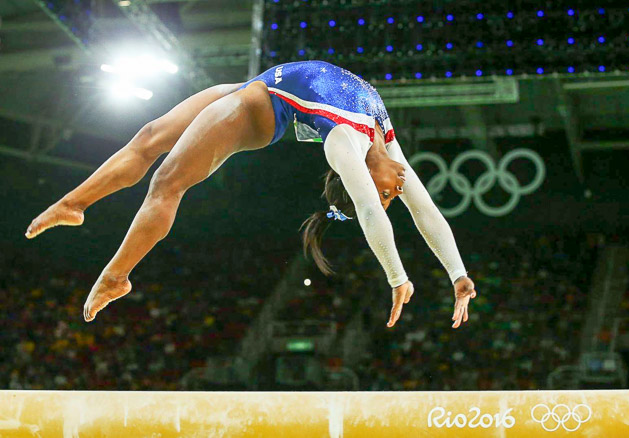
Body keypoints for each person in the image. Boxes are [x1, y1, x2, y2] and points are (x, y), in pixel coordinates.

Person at [25, 61, 476, 327]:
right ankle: (73, 204)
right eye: (391, 195)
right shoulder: (388, 144)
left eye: (387, 197)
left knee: (167, 182)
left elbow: (368, 209)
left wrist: (398, 278)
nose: (396, 191)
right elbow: (428, 211)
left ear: (357, 173)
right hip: (257, 84)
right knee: (148, 137)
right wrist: (458, 275)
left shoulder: (345, 143)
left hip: (254, 109)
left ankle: (115, 276)